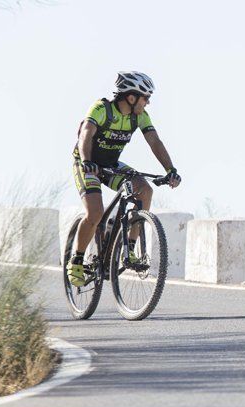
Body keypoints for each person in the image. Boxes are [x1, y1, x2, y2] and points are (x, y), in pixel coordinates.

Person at [67, 71, 182, 287]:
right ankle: (77, 260)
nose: (147, 103)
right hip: (87, 163)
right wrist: (86, 161)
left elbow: (154, 142)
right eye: (145, 98)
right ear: (131, 97)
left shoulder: (139, 116)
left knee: (144, 189)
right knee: (95, 213)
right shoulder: (102, 109)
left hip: (111, 165)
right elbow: (86, 135)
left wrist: (170, 170)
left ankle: (129, 247)